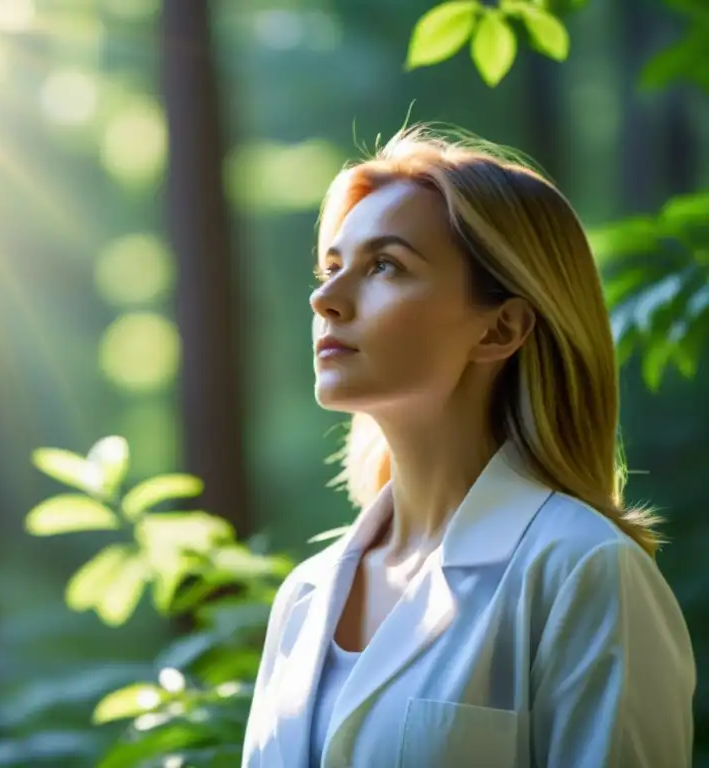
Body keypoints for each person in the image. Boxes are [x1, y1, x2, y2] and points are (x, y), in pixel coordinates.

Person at [240, 125, 696, 768]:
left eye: (385, 266)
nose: (325, 299)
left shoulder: (583, 571)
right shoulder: (305, 596)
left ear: (501, 327)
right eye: (332, 267)